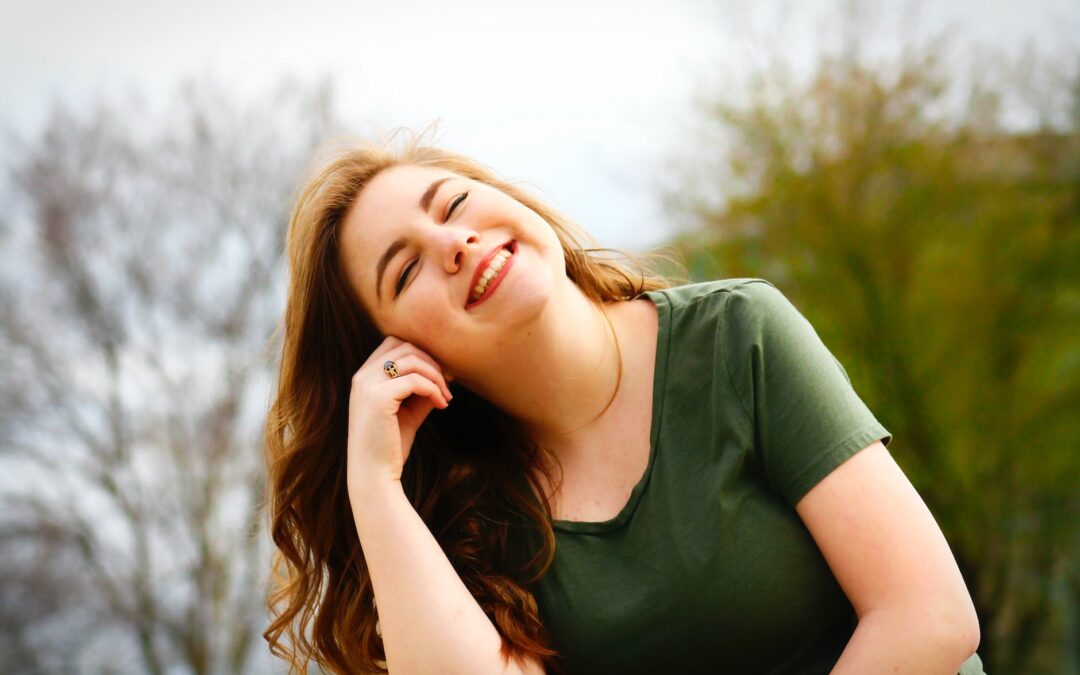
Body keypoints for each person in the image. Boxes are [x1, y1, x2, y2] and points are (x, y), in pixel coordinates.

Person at [262, 130, 985, 675]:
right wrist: (375, 486)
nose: (455, 242)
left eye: (453, 203)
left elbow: (930, 616)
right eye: (405, 270)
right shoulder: (468, 517)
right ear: (395, 354)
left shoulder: (738, 335)